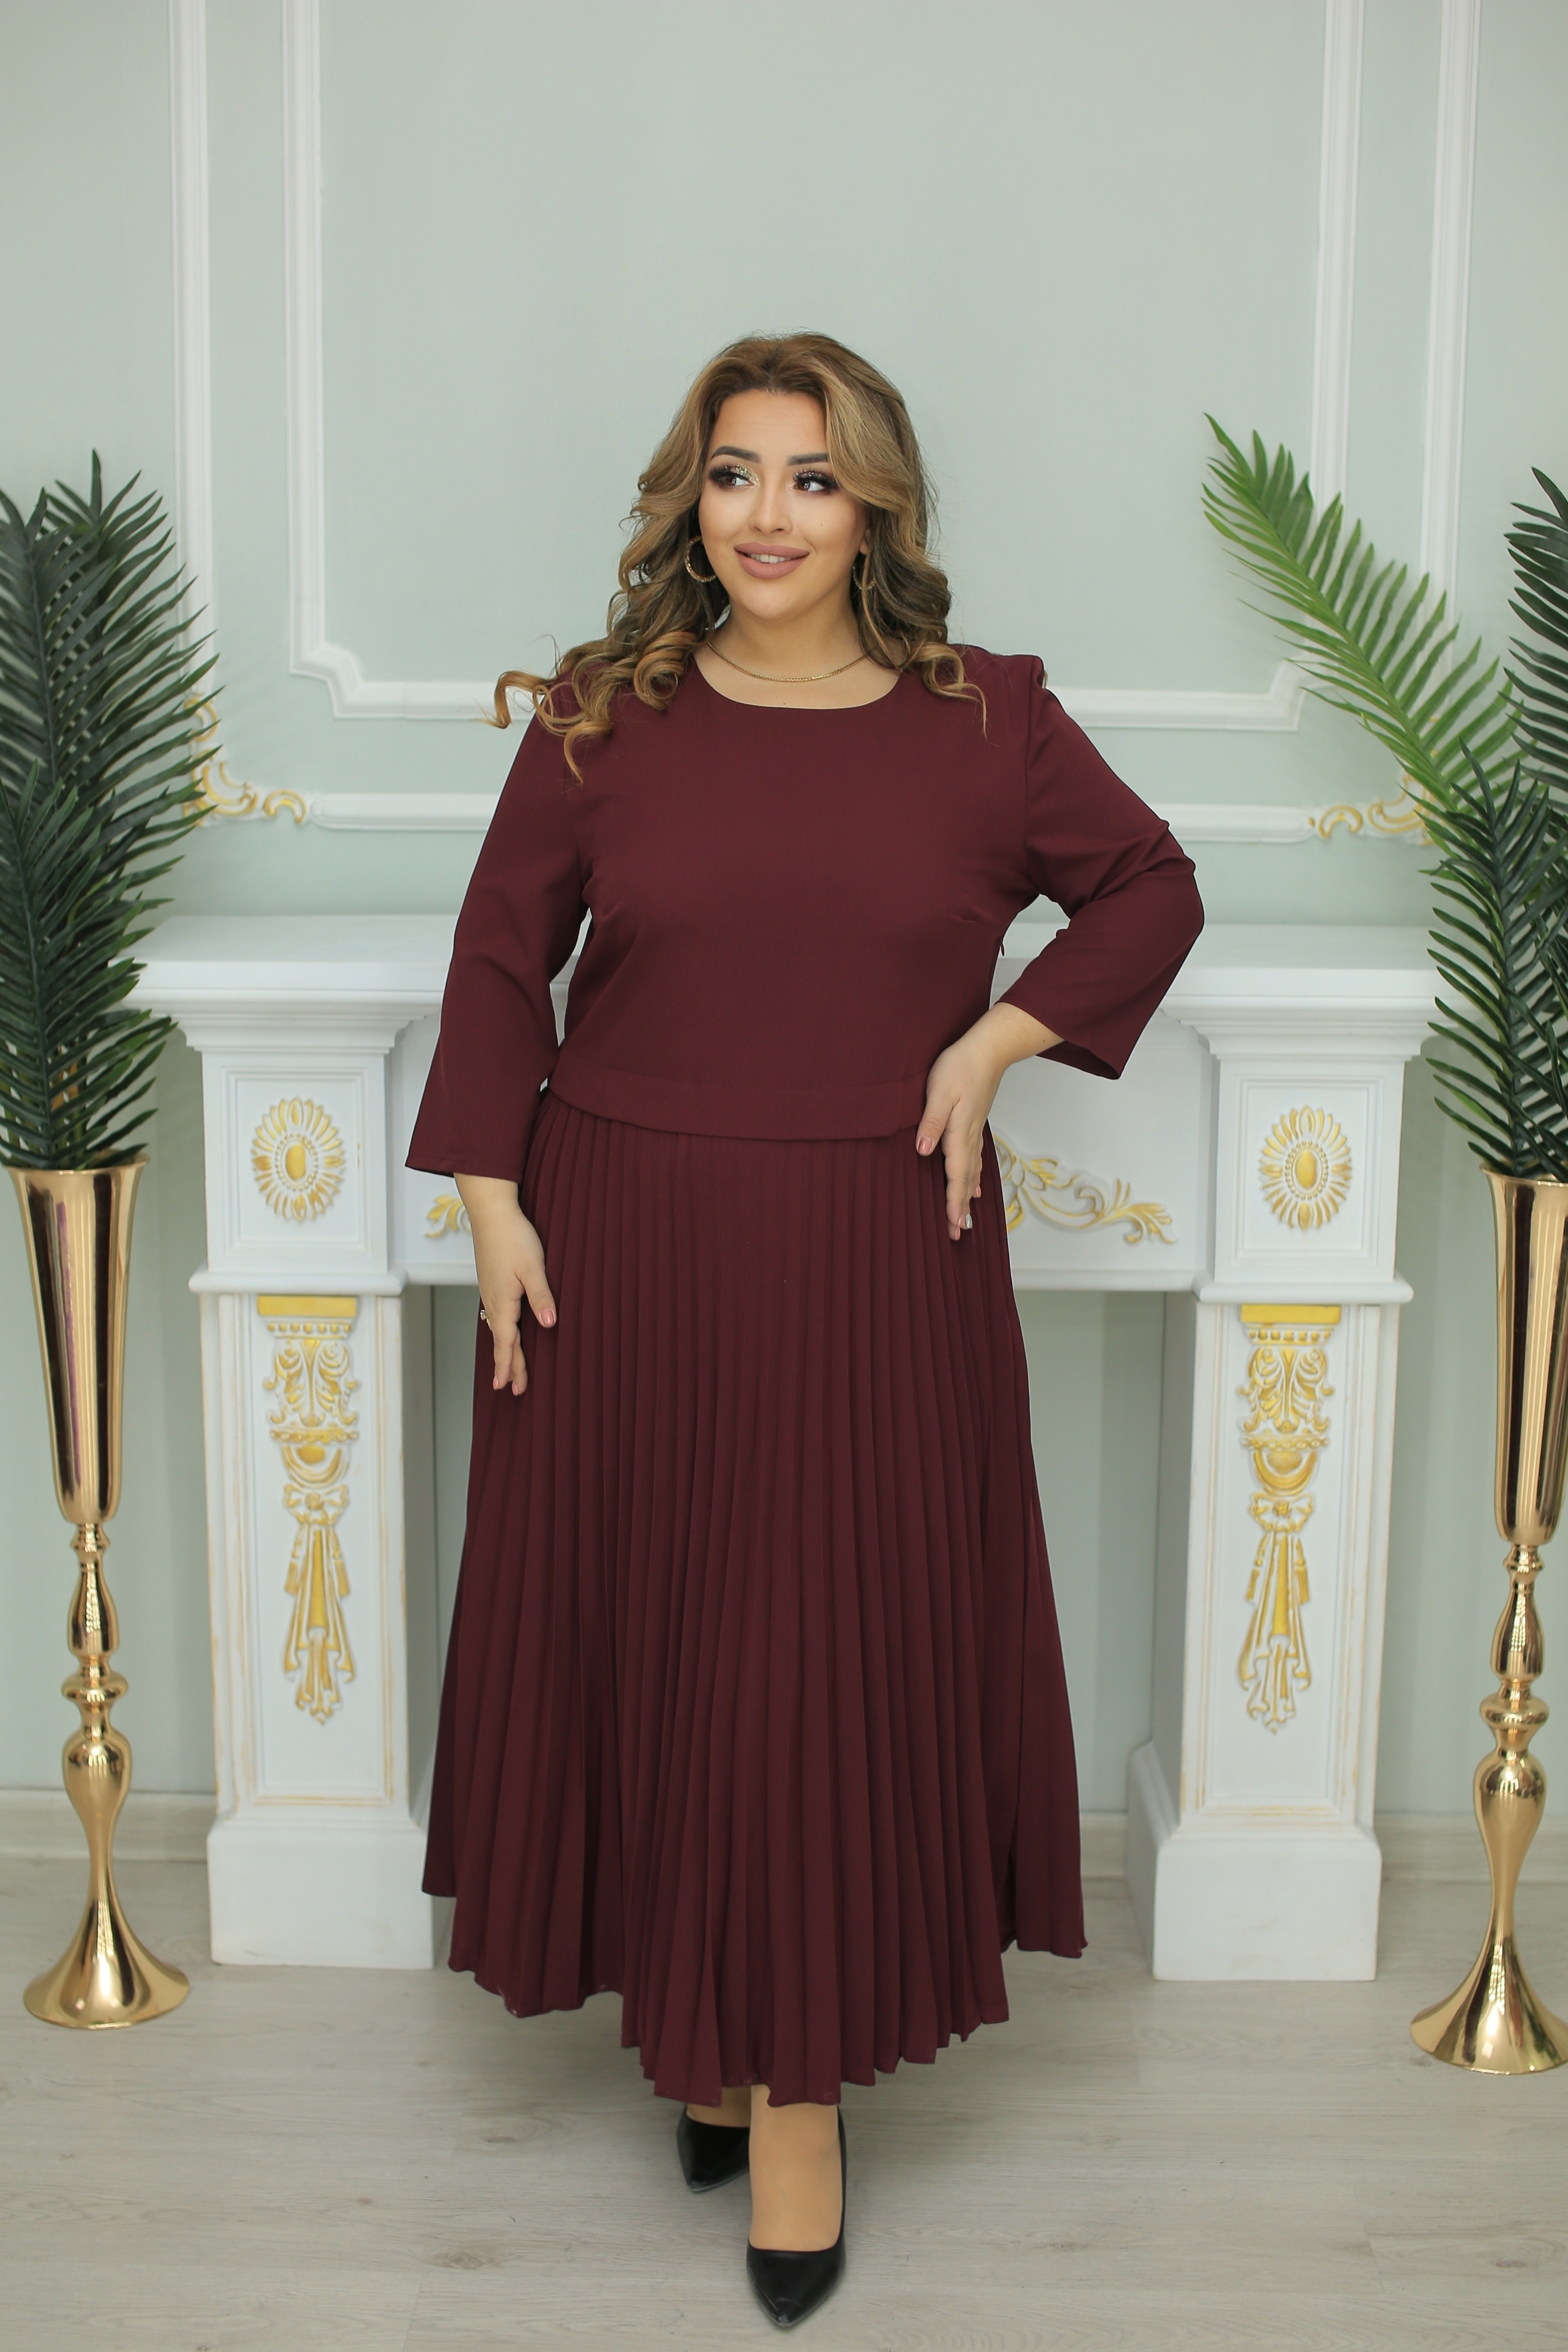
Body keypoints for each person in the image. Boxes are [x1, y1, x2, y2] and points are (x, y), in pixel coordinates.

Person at [407, 331, 1202, 2330]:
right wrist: (492, 1199)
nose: (768, 515)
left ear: (879, 508)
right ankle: (706, 2031)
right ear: (693, 500)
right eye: (736, 472)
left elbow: (1149, 890)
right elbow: (500, 958)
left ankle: (794, 2101)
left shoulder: (989, 722)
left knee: (811, 1664)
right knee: (672, 1646)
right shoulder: (603, 715)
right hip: (624, 1242)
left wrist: (997, 1044)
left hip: (873, 1249)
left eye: (814, 477)